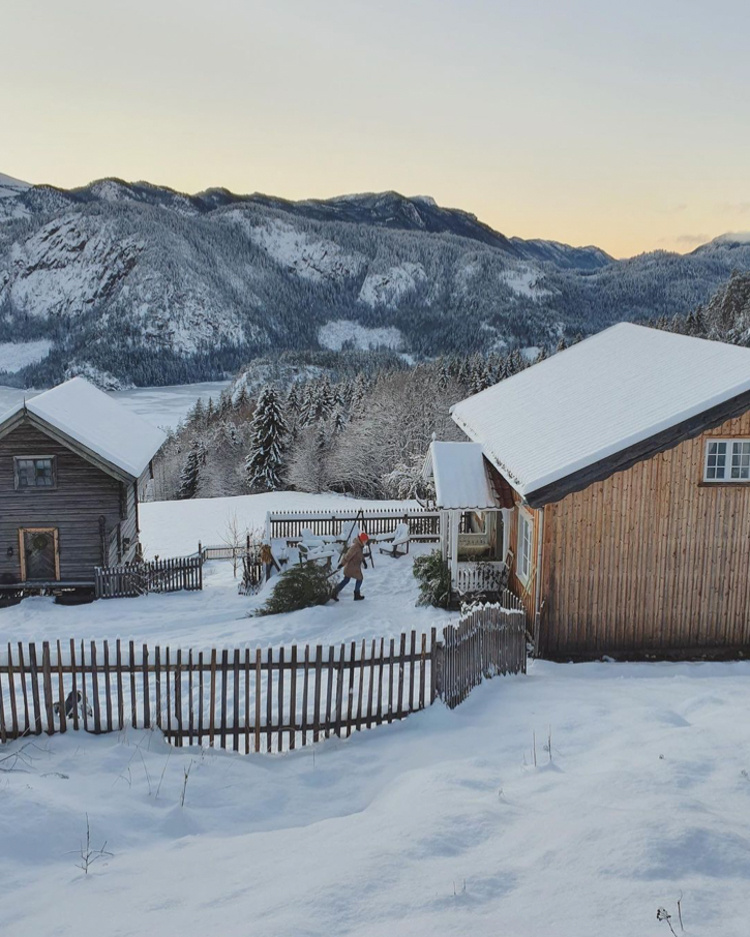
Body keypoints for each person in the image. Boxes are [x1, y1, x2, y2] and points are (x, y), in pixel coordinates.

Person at [331, 532, 369, 601]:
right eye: (365, 541)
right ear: (361, 540)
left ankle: (334, 592)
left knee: (346, 580)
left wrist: (364, 561)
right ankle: (356, 594)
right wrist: (342, 564)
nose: (366, 542)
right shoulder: (355, 547)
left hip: (353, 567)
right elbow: (348, 556)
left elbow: (360, 555)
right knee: (360, 579)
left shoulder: (359, 546)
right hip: (352, 567)